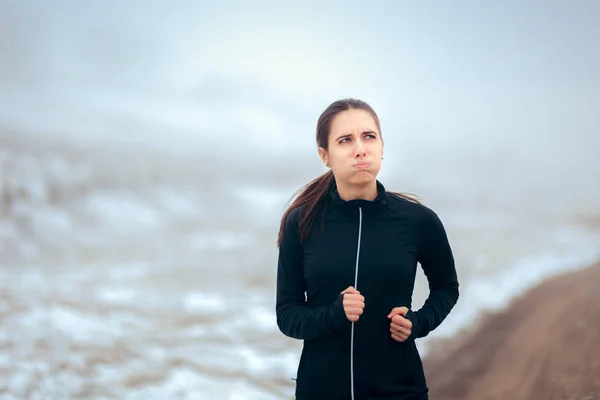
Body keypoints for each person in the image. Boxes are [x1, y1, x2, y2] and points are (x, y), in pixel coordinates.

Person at [275, 98, 459, 400]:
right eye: (345, 140)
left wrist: (418, 322)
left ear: (382, 147)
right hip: (320, 391)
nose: (360, 149)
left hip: (400, 391)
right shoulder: (303, 223)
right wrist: (333, 314)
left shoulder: (418, 221)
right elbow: (287, 314)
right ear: (325, 155)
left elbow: (446, 288)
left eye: (368, 137)